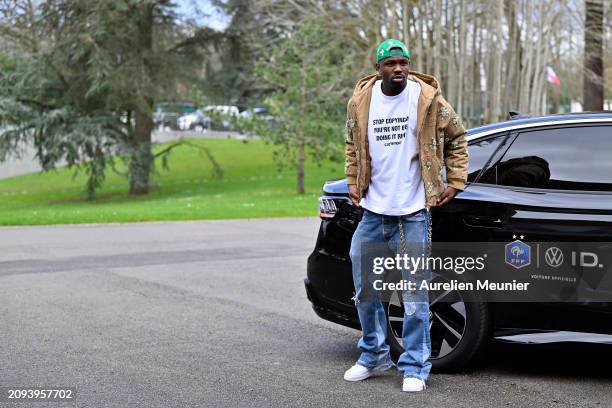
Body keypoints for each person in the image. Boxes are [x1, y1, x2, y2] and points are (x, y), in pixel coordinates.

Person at [343, 39, 468, 392]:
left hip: (413, 212)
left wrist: (455, 181)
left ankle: (414, 365)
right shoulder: (361, 101)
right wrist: (354, 182)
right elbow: (353, 146)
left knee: (414, 295)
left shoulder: (426, 99)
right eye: (391, 63)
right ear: (378, 67)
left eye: (404, 63)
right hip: (373, 212)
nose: (398, 69)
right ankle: (373, 354)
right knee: (365, 289)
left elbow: (458, 138)